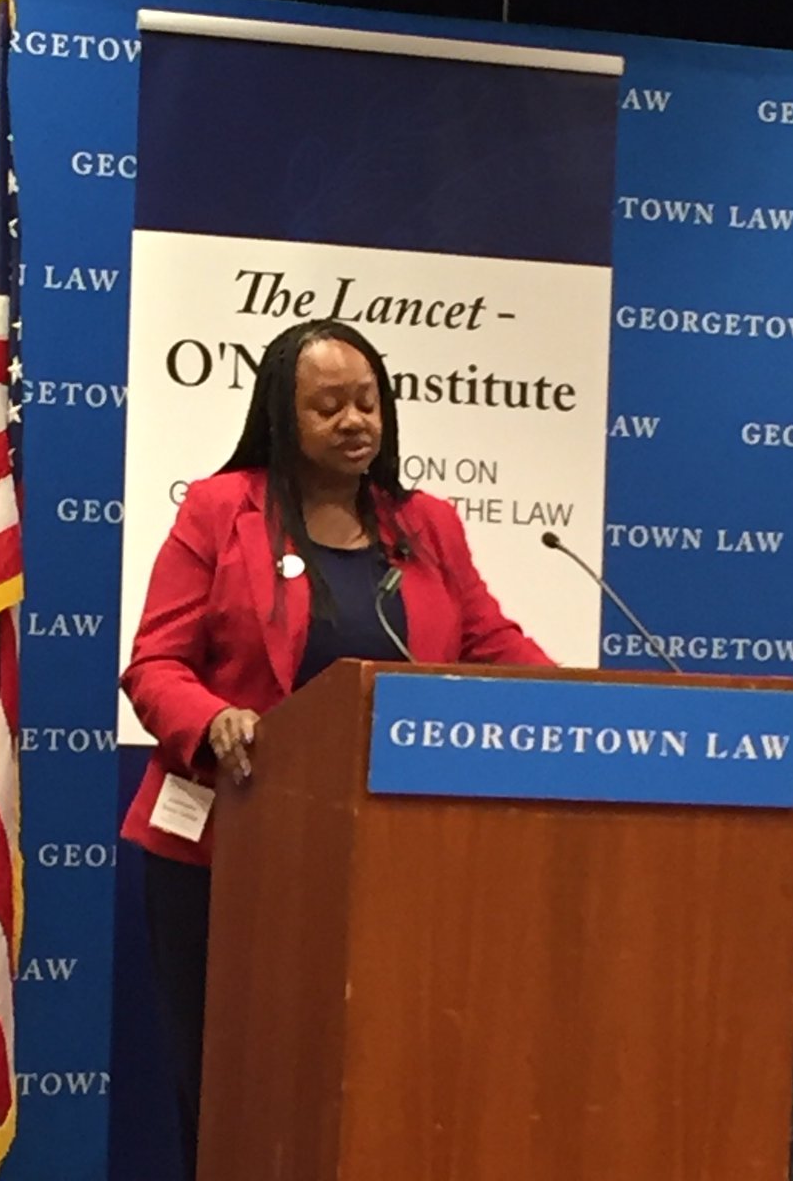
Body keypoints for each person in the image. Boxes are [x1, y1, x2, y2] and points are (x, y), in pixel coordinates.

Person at [119, 318, 556, 1180]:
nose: (356, 421)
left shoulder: (425, 524)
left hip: (389, 852)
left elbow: (489, 641)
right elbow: (156, 663)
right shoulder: (221, 510)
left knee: (365, 1076)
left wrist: (578, 704)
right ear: (283, 417)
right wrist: (214, 719)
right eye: (329, 407)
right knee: (232, 1079)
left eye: (368, 402)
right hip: (231, 846)